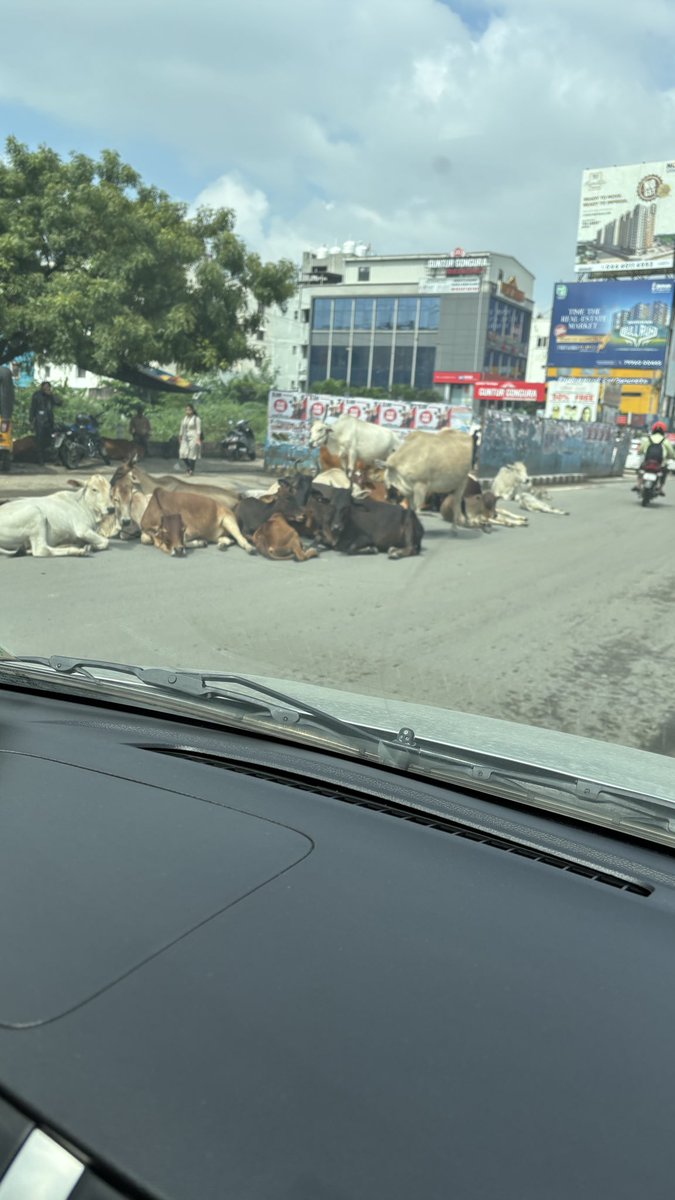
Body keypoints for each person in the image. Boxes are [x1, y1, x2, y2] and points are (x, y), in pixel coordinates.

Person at [637, 421, 675, 495]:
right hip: (660, 464)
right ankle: (660, 488)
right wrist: (672, 457)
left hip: (647, 462)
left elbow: (640, 450)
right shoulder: (666, 441)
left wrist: (639, 453)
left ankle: (638, 485)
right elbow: (671, 453)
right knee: (664, 472)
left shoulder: (648, 439)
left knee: (640, 470)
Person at [29, 381, 62, 465]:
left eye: (48, 387)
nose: (47, 388)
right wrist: (31, 420)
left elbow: (59, 403)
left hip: (49, 420)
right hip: (40, 421)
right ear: (42, 387)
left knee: (49, 440)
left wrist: (51, 395)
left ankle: (49, 457)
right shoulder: (37, 395)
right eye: (45, 387)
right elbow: (32, 408)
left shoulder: (50, 396)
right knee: (40, 440)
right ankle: (40, 459)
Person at [178, 403, 203, 475]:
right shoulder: (184, 419)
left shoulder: (196, 419)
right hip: (185, 436)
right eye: (186, 410)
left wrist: (198, 439)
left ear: (192, 410)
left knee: (192, 454)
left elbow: (199, 430)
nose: (187, 411)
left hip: (194, 436)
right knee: (182, 453)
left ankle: (191, 470)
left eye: (189, 410)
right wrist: (180, 437)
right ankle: (189, 466)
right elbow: (181, 429)